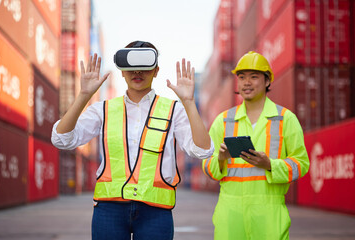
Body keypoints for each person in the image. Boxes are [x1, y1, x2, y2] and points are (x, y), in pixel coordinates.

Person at [51, 40, 214, 240]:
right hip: (109, 210)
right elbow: (61, 139)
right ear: (122, 70)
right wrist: (84, 96)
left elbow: (203, 151)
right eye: (131, 66)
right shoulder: (103, 109)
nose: (137, 72)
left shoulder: (174, 110)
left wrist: (188, 103)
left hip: (155, 211)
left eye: (144, 66)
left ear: (156, 70)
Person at [202, 51, 310, 239]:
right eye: (242, 77)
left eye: (254, 76)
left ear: (268, 81)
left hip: (269, 214)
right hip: (230, 216)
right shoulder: (224, 121)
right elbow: (206, 165)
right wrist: (220, 160)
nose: (246, 82)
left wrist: (270, 165)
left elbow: (301, 164)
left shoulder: (285, 119)